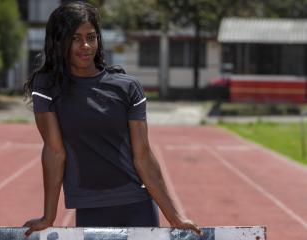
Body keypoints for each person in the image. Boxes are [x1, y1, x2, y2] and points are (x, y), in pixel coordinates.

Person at [23, 1, 201, 237]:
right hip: (90, 207)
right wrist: (49, 216)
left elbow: (143, 155)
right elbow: (55, 152)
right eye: (75, 38)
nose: (85, 45)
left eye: (91, 37)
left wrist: (175, 217)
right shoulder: (47, 86)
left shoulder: (128, 87)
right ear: (59, 41)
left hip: (137, 205)